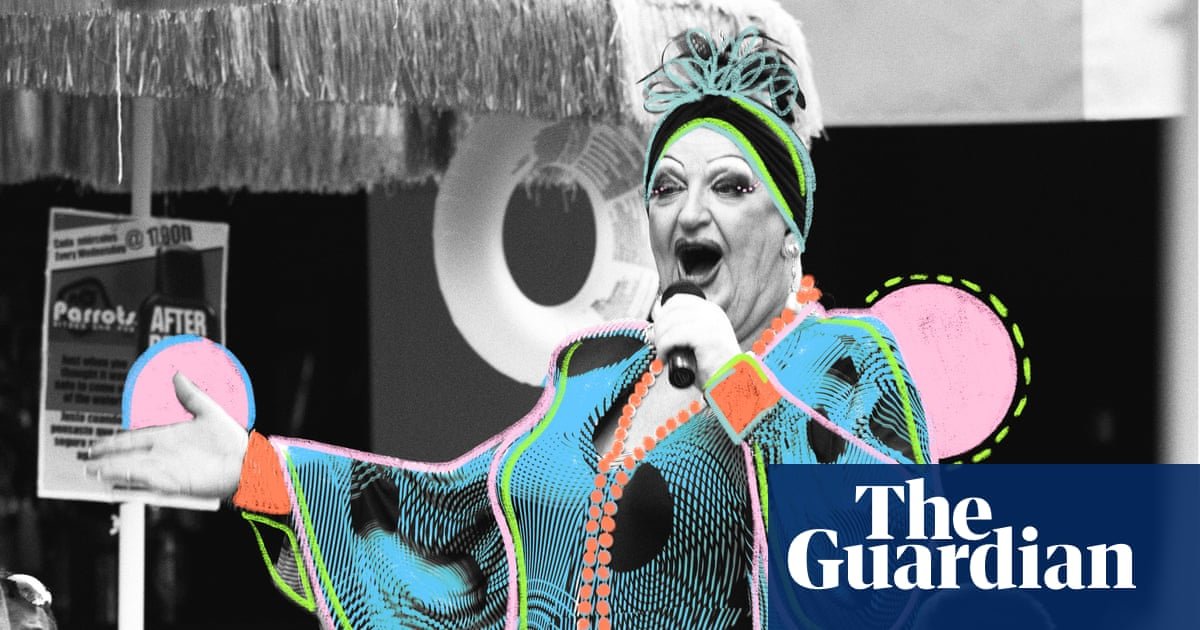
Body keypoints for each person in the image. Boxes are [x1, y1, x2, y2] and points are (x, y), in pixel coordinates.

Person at [86, 26, 929, 629]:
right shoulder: (602, 378)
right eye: (667, 187)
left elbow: (896, 563)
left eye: (733, 187)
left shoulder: (845, 362)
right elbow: (449, 521)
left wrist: (735, 380)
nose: (690, 212)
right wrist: (254, 470)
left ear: (790, 231)